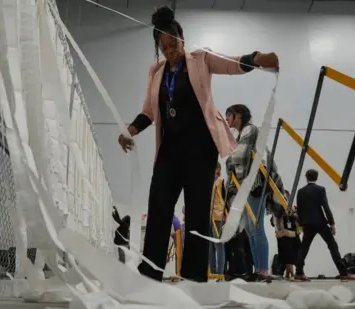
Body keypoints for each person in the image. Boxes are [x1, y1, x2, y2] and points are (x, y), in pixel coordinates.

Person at [117, 6, 279, 282]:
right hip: (169, 149)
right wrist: (129, 130)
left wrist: (259, 58)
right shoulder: (156, 72)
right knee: (158, 207)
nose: (170, 50)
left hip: (201, 148)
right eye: (164, 46)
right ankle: (149, 273)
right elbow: (148, 111)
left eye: (174, 43)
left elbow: (230, 63)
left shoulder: (201, 59)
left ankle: (193, 276)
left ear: (183, 38)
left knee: (196, 214)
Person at [225, 104, 284, 281]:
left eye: (229, 114)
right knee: (251, 229)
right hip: (250, 182)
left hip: (256, 182)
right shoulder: (242, 133)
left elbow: (238, 157)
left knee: (256, 228)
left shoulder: (250, 130)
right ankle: (259, 270)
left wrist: (229, 161)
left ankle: (263, 271)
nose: (227, 118)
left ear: (239, 115)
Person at [294, 170, 355, 281]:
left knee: (303, 249)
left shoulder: (300, 192)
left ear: (306, 178)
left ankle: (299, 273)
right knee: (332, 246)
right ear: (317, 177)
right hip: (320, 223)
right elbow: (325, 207)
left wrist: (302, 224)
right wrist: (332, 223)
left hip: (307, 224)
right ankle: (343, 273)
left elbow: (299, 210)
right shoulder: (321, 190)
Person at [272, 190, 301, 279]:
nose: (285, 199)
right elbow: (273, 223)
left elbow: (300, 222)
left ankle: (292, 273)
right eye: (283, 197)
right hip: (283, 237)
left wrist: (294, 215)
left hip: (294, 236)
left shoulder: (294, 208)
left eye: (286, 197)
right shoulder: (277, 210)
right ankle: (290, 273)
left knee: (297, 255)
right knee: (286, 256)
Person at [209, 163, 226, 275]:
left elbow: (225, 198)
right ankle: (213, 272)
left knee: (218, 245)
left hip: (218, 216)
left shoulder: (221, 182)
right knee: (210, 247)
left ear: (218, 169)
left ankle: (220, 273)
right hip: (209, 217)